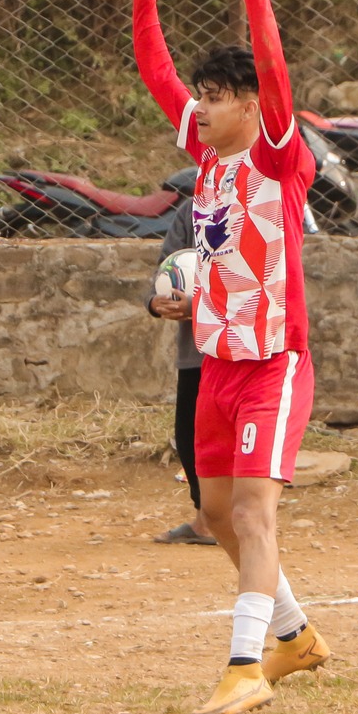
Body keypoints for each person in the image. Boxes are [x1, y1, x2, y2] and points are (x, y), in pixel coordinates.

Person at [133, 0, 330, 714]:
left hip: (274, 365)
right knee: (216, 514)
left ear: (251, 106)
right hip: (216, 362)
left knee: (252, 513)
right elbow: (155, 71)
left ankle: (245, 667)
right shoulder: (207, 157)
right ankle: (295, 634)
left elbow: (275, 70)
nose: (200, 106)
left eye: (216, 96)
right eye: (202, 95)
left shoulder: (279, 155)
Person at [145, 199, 216, 546]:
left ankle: (237, 518)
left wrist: (200, 304)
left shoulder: (256, 207)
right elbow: (168, 269)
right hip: (194, 353)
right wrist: (155, 301)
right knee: (190, 437)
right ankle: (206, 519)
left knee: (227, 438)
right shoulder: (191, 211)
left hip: (238, 349)